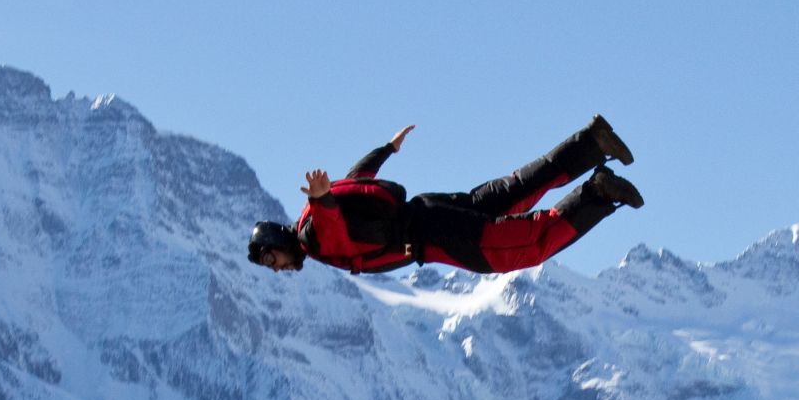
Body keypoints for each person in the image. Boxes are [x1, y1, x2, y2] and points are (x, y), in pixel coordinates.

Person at [247, 114, 644, 277]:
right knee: (516, 192)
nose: (278, 267)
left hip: (432, 235)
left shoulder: (311, 236)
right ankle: (592, 142)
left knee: (524, 248)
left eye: (271, 259)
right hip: (427, 207)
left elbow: (334, 228)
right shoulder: (308, 219)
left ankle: (598, 192)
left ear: (277, 242)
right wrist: (387, 149)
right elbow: (358, 177)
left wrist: (321, 200)